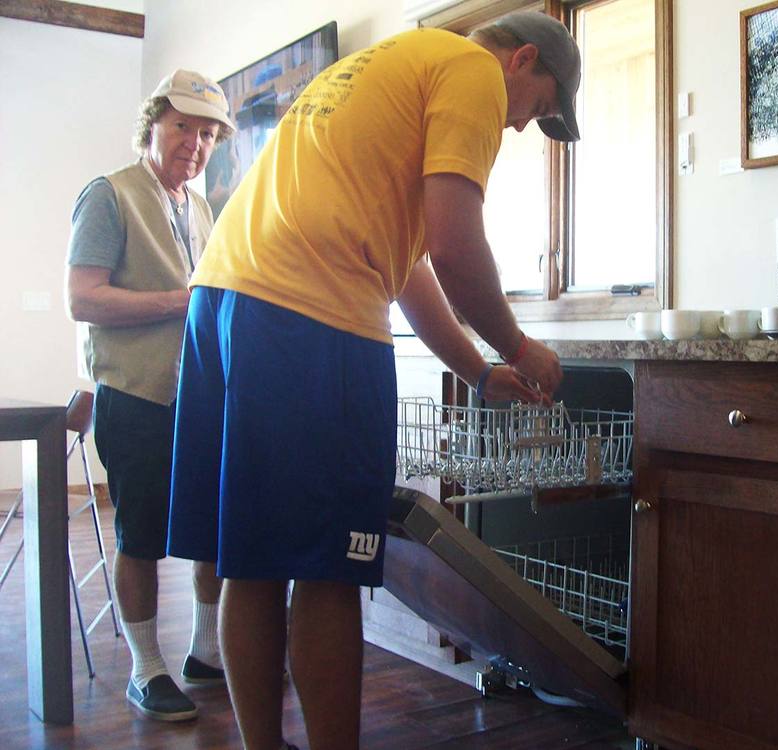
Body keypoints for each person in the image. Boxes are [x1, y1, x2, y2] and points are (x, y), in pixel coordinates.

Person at [166, 10, 579, 750]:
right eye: (539, 107)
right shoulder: (474, 73)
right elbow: (456, 244)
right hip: (309, 315)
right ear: (521, 60)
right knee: (332, 567)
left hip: (223, 299)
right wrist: (521, 346)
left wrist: (482, 371)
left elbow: (413, 264)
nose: (521, 128)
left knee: (250, 562)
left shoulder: (390, 64)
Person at [64, 69, 236, 722]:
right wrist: (180, 301)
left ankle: (206, 651)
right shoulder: (108, 195)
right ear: (153, 126)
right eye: (183, 126)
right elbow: (82, 298)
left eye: (208, 133)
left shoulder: (199, 206)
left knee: (211, 532)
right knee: (140, 536)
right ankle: (145, 669)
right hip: (135, 396)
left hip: (198, 397)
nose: (195, 142)